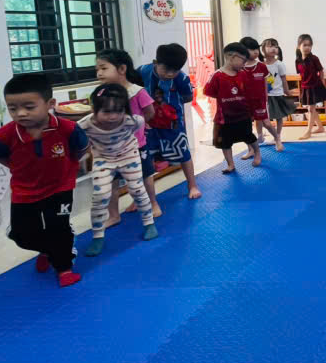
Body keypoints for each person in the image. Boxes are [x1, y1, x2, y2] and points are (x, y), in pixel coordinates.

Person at [0, 72, 88, 288]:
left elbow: (80, 150)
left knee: (58, 228)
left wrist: (67, 168)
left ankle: (64, 268)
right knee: (21, 235)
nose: (21, 113)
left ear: (50, 104)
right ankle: (49, 250)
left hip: (60, 188)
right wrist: (18, 169)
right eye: (13, 108)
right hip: (24, 191)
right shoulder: (4, 136)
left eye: (29, 107)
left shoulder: (68, 129)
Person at [78, 83, 157, 255]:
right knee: (100, 196)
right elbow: (76, 141)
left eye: (118, 111)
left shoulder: (133, 121)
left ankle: (149, 223)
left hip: (128, 155)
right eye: (106, 112)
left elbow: (140, 126)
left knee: (137, 189)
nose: (113, 117)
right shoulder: (84, 125)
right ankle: (98, 236)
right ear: (94, 110)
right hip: (103, 159)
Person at [95, 47, 160, 225]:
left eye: (104, 68)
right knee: (112, 182)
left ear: (122, 69)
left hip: (136, 146)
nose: (99, 73)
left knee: (144, 176)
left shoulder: (137, 91)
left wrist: (138, 125)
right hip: (111, 148)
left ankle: (153, 204)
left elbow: (149, 112)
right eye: (97, 69)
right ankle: (114, 215)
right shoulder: (101, 93)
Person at [138, 43, 203, 200]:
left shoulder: (181, 78)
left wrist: (169, 108)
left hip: (173, 124)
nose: (170, 74)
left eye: (175, 70)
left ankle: (192, 185)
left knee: (183, 153)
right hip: (149, 123)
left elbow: (188, 97)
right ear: (156, 62)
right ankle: (144, 196)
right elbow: (133, 87)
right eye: (166, 69)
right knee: (146, 158)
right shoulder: (143, 71)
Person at [204, 42, 260, 173]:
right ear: (232, 57)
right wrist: (224, 97)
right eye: (243, 61)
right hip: (224, 118)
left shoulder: (243, 74)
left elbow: (249, 93)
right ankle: (230, 164)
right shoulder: (217, 76)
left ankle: (257, 152)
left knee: (249, 136)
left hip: (243, 115)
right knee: (225, 142)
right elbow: (209, 91)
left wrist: (252, 112)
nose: (244, 64)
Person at [239, 37, 278, 155]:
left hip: (260, 101)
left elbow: (266, 83)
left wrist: (266, 97)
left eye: (256, 49)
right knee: (246, 127)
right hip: (245, 102)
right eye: (252, 49)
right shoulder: (240, 68)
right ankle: (250, 149)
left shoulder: (261, 66)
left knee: (267, 123)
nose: (256, 52)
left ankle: (277, 138)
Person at [294, 34, 326, 138]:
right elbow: (301, 74)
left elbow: (321, 71)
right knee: (311, 108)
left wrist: (322, 82)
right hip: (305, 87)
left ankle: (308, 131)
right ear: (299, 46)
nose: (307, 47)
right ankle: (320, 127)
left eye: (309, 45)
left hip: (315, 86)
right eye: (304, 45)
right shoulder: (297, 60)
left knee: (310, 109)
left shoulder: (314, 58)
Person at [260, 38, 292, 151]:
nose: (273, 48)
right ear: (263, 49)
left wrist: (287, 91)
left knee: (279, 117)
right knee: (265, 118)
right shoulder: (261, 65)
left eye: (275, 46)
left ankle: (278, 136)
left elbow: (283, 79)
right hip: (265, 95)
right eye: (270, 46)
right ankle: (269, 135)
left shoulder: (279, 64)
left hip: (277, 94)